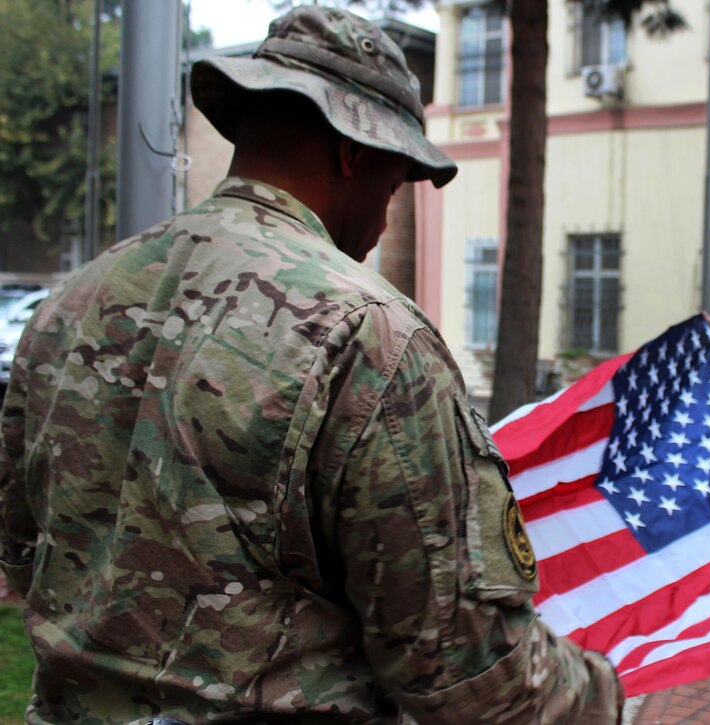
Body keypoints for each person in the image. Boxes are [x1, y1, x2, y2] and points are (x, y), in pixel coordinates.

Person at [0, 8, 622, 724]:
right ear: (352, 149)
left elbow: (24, 550)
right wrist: (604, 694)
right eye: (392, 188)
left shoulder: (70, 302)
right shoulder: (368, 335)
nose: (385, 223)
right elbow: (462, 670)